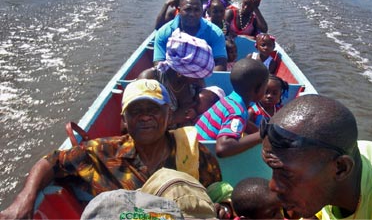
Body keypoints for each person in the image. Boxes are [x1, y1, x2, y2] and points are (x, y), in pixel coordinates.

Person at [0, 79, 221, 220]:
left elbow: (216, 190)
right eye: (136, 111)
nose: (144, 116)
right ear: (124, 119)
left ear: (169, 115)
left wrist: (223, 207)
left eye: (153, 110)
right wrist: (24, 199)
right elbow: (52, 161)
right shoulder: (104, 152)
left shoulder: (193, 152)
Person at [195, 58, 269, 158]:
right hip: (200, 156)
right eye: (266, 88)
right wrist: (261, 135)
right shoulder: (237, 112)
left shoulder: (227, 101)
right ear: (258, 89)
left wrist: (261, 132)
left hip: (194, 146)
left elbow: (243, 123)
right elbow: (222, 148)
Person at [139, 29, 214, 128]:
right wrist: (174, 118)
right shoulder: (149, 80)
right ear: (181, 72)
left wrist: (194, 112)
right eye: (197, 75)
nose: (200, 78)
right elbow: (140, 123)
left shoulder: (195, 82)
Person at [154, 0, 227, 71]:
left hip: (205, 78)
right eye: (187, 9)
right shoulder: (164, 32)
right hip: (173, 77)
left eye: (196, 10)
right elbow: (159, 64)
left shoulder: (215, 33)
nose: (192, 14)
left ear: (202, 11)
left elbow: (220, 63)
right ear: (179, 10)